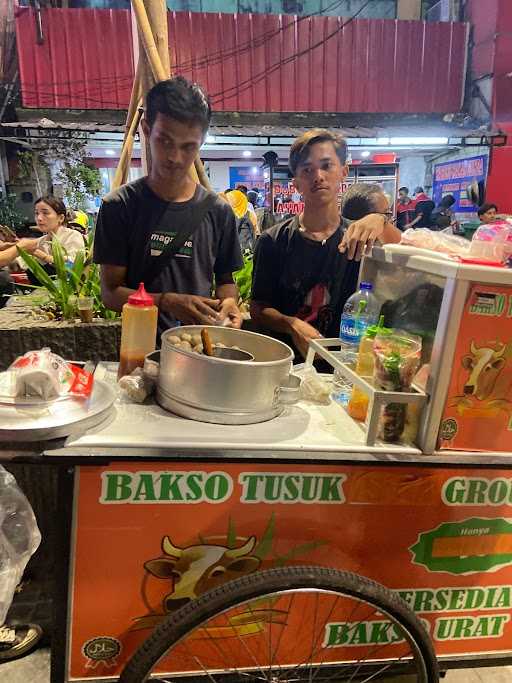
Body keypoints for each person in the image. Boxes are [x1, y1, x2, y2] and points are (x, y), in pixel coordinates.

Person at [94, 76, 243, 333]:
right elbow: (110, 293)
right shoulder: (119, 207)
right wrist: (166, 302)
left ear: (202, 142)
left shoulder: (218, 211)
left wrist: (229, 301)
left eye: (188, 147)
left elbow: (225, 280)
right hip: (139, 349)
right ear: (147, 129)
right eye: (165, 141)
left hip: (199, 350)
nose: (175, 157)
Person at [250, 129, 401, 359]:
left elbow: (414, 256)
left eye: (327, 166)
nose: (318, 176)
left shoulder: (359, 238)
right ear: (297, 183)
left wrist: (382, 220)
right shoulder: (273, 240)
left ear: (344, 172)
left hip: (345, 371)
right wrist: (291, 324)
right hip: (286, 368)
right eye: (307, 170)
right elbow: (258, 308)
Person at [32, 197, 86, 267]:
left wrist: (43, 256)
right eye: (36, 213)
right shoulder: (41, 241)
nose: (39, 218)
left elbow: (74, 264)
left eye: (45, 213)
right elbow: (22, 262)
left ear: (61, 218)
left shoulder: (73, 236)